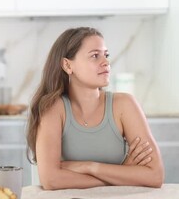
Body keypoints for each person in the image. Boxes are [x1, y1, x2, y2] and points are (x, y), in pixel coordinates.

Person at [26, 27, 164, 190]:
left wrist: (90, 167)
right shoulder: (53, 109)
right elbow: (51, 180)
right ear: (67, 65)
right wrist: (124, 174)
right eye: (94, 56)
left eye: (106, 55)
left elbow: (155, 176)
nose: (106, 62)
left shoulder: (124, 105)